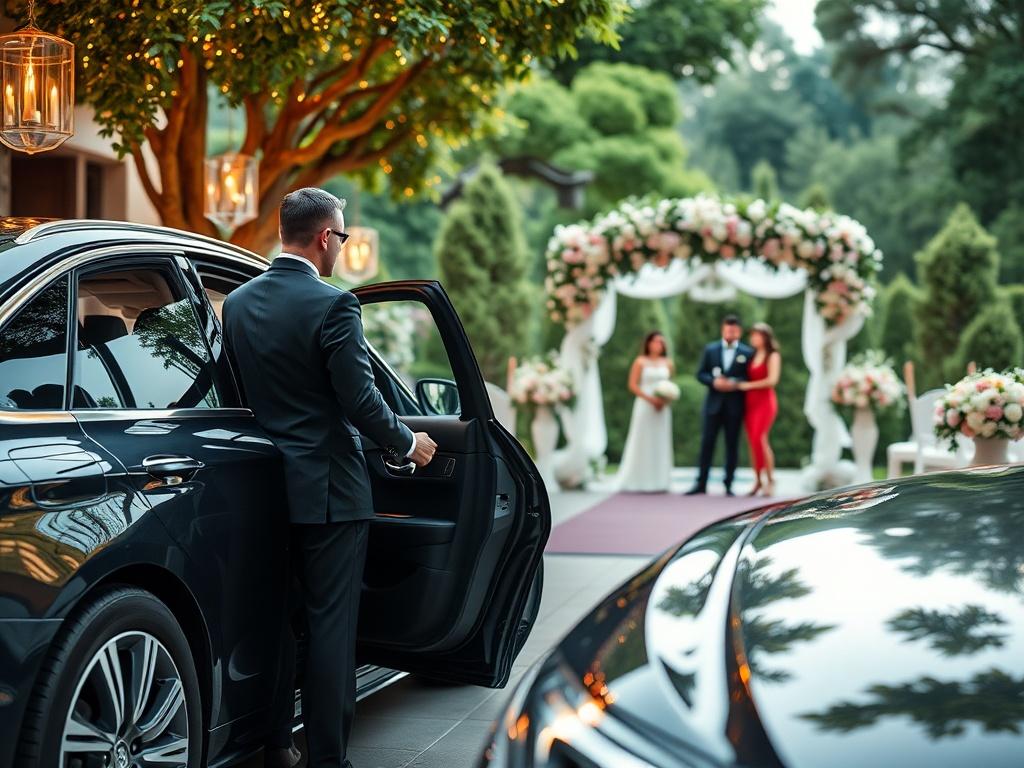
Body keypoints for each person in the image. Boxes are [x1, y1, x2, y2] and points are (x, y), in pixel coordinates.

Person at [223, 188, 438, 768]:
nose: (341, 247)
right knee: (330, 631)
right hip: (331, 493)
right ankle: (327, 760)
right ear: (324, 237)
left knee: (274, 623)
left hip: (264, 490)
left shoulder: (237, 303)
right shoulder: (335, 305)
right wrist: (408, 442)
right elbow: (361, 400)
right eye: (341, 236)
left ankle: (274, 743)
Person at [686, 314, 753, 496]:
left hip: (735, 405)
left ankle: (728, 484)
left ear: (739, 332)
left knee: (732, 445)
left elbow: (749, 377)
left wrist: (734, 383)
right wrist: (713, 381)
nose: (730, 333)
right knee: (707, 443)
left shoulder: (747, 353)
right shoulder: (711, 349)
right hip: (712, 406)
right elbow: (700, 374)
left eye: (734, 330)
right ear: (723, 330)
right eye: (728, 330)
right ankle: (701, 483)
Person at [617, 331, 675, 492]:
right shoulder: (640, 362)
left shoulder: (668, 363)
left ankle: (660, 480)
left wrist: (665, 399)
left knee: (660, 441)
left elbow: (670, 384)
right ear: (648, 343)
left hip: (662, 408)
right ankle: (639, 479)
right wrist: (650, 399)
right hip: (644, 405)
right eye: (655, 341)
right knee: (642, 440)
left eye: (661, 342)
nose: (658, 345)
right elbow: (633, 385)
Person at [738, 322, 781, 496]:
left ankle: (770, 480)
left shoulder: (773, 355)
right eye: (752, 335)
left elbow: (772, 380)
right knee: (752, 441)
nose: (754, 338)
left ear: (765, 337)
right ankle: (757, 481)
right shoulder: (752, 355)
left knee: (761, 439)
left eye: (757, 335)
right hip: (750, 402)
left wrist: (747, 385)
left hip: (765, 401)